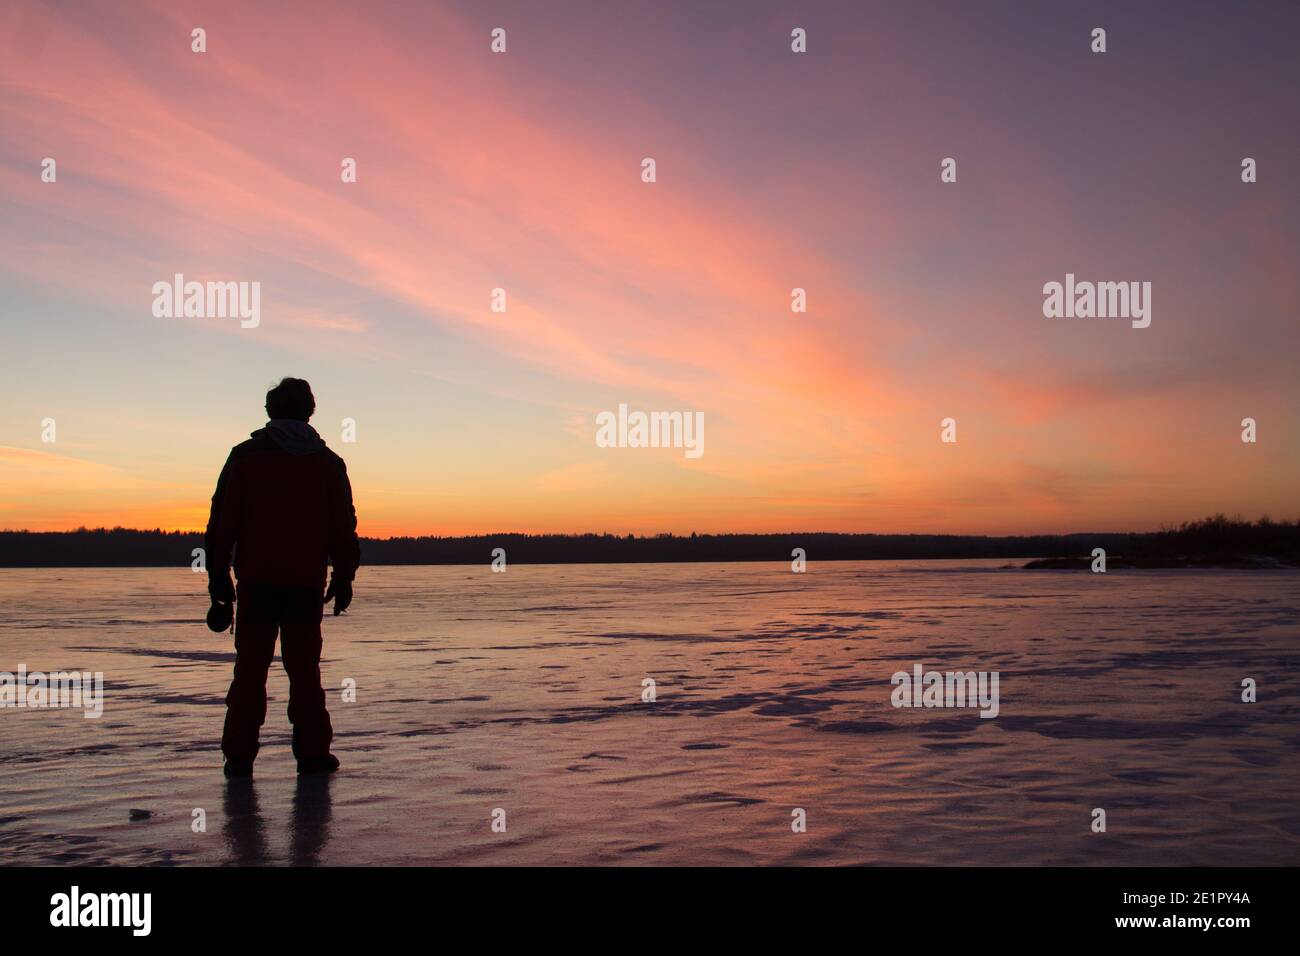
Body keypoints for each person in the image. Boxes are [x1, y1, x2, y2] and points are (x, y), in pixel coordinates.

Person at [204, 377, 360, 778]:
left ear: (271, 411)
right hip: (303, 587)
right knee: (305, 672)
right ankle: (312, 755)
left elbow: (223, 523)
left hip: (258, 584)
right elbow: (343, 528)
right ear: (309, 411)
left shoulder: (246, 457)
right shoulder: (327, 463)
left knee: (250, 672)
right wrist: (343, 578)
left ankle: (239, 757)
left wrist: (218, 580)